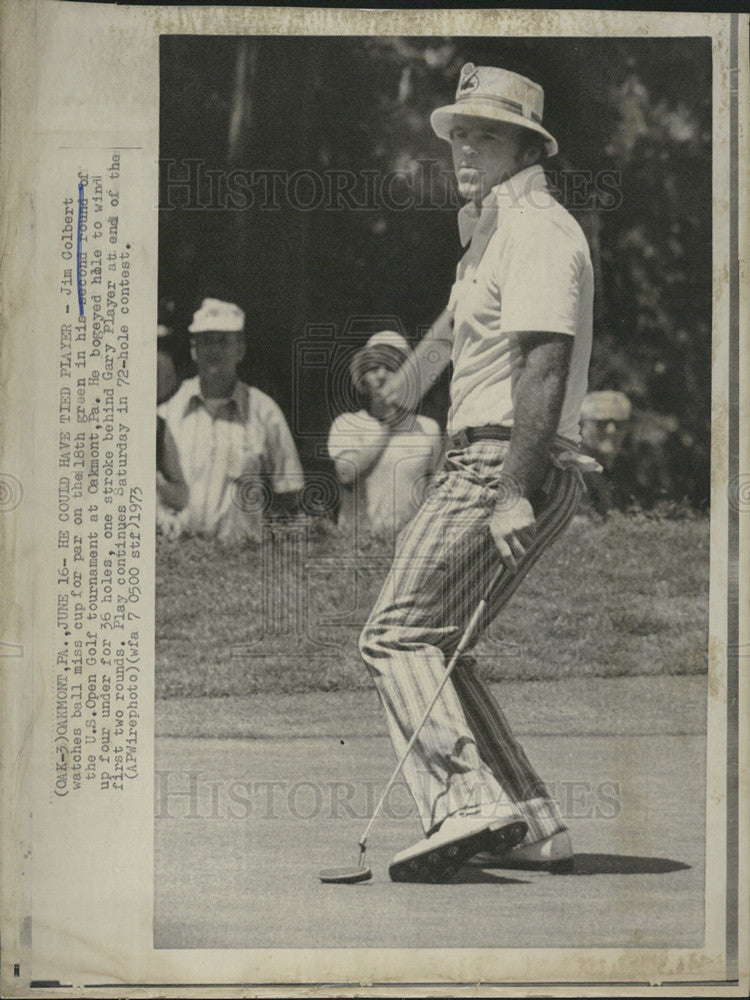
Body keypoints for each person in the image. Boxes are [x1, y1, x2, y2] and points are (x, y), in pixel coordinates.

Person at [358, 63, 596, 880]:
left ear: (527, 145)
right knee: (443, 647)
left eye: (484, 133)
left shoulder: (538, 230)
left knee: (395, 634)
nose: (463, 146)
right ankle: (531, 819)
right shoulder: (496, 231)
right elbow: (458, 330)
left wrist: (513, 493)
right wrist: (400, 398)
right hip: (501, 456)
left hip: (500, 460)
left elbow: (542, 364)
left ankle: (464, 802)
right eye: (459, 132)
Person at [157, 297, 303, 544]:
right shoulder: (166, 413)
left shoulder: (264, 412)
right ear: (193, 350)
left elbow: (289, 494)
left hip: (239, 563)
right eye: (206, 341)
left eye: (223, 341)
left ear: (240, 349)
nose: (214, 350)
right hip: (177, 559)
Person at [327, 330, 443, 540]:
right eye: (373, 368)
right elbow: (346, 474)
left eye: (391, 367)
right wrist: (388, 426)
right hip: (359, 546)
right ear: (363, 377)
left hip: (410, 543)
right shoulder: (347, 424)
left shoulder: (429, 429)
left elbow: (436, 492)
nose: (381, 375)